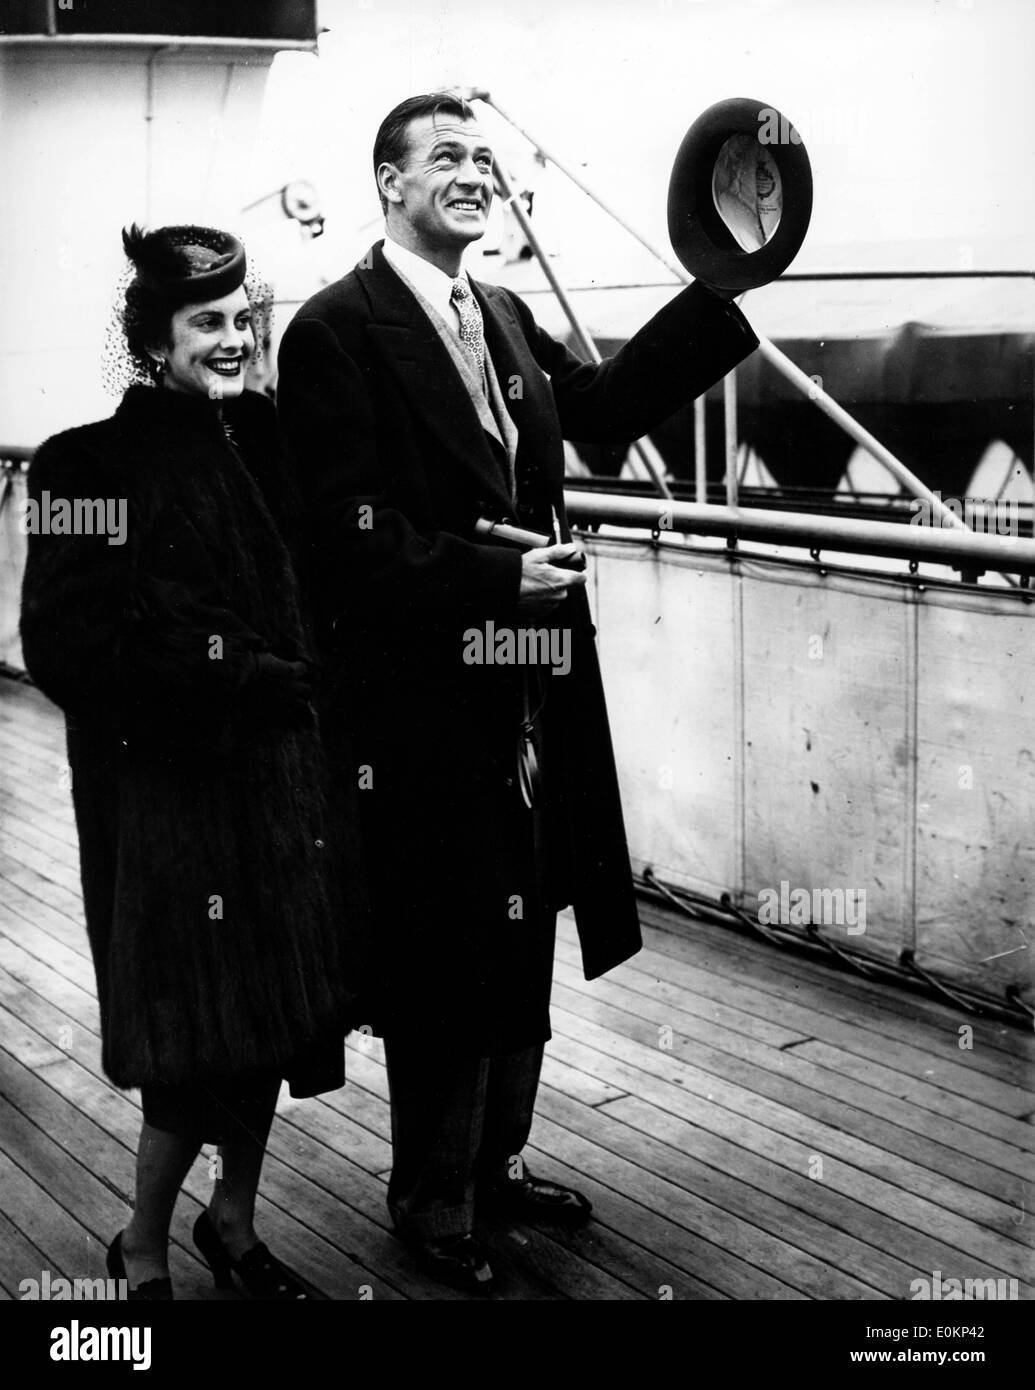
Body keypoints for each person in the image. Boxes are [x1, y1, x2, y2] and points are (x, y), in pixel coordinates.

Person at [276, 92, 759, 1295]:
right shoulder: (336, 331)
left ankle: (496, 1163)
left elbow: (595, 417)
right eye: (447, 156)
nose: (474, 172)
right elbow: (344, 543)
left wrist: (723, 293)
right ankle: (432, 1197)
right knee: (445, 943)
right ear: (388, 182)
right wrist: (500, 572)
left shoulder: (496, 310)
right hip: (425, 702)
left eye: (482, 156)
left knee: (525, 918)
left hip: (533, 691)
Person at [20, 224, 362, 1300]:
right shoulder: (85, 463)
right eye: (203, 323)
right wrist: (236, 671)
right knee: (186, 1047)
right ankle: (145, 1244)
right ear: (152, 341)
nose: (229, 340)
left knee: (274, 1016)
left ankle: (235, 1222)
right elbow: (65, 645)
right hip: (170, 798)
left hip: (282, 791)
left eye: (237, 319)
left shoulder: (264, 438)